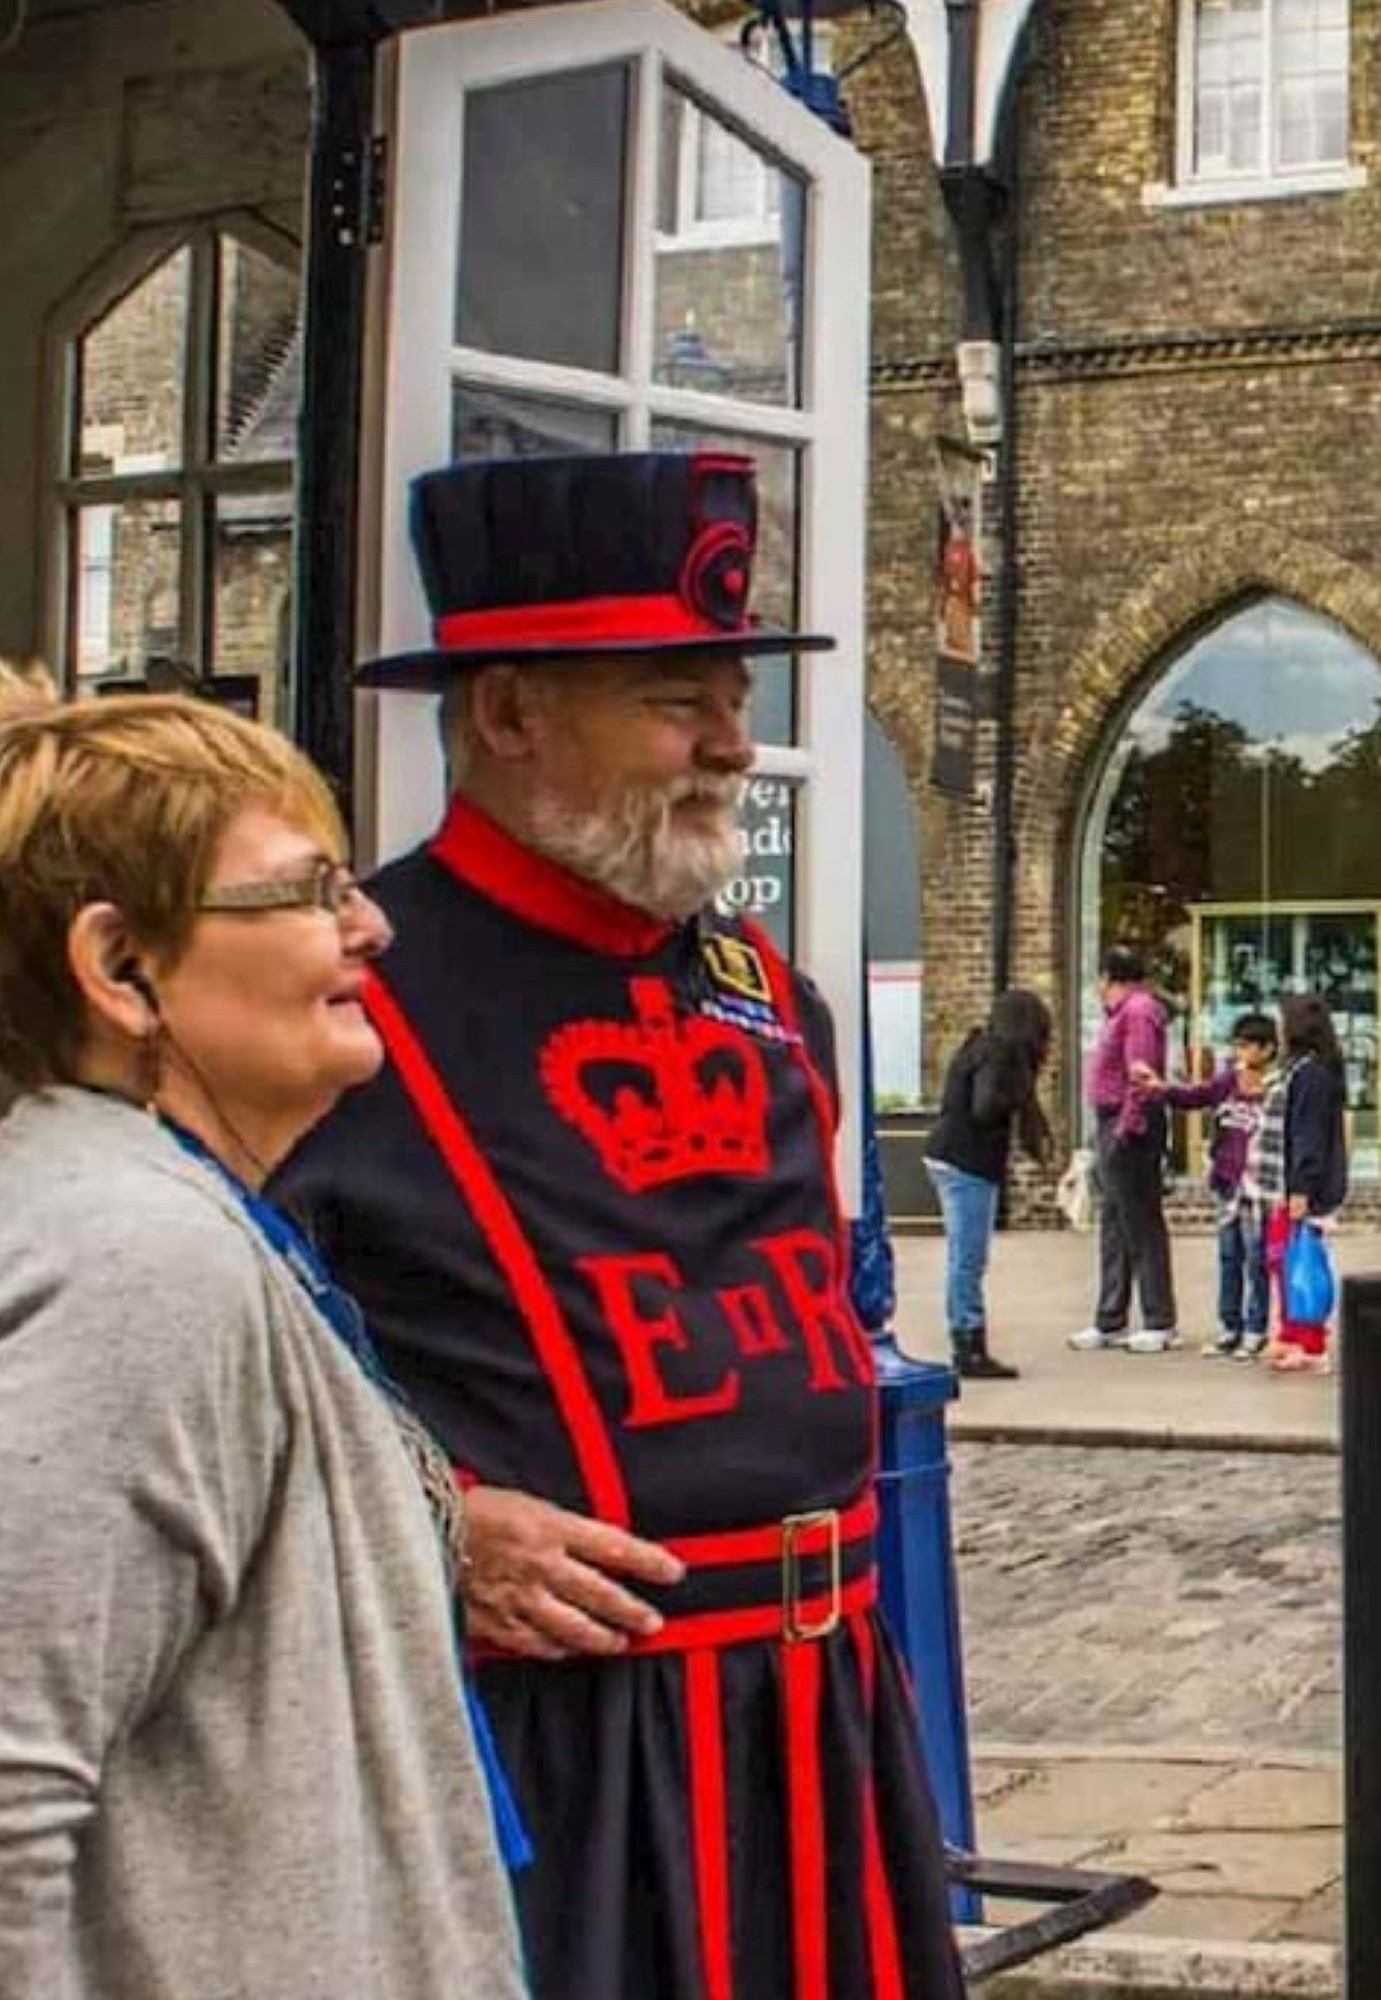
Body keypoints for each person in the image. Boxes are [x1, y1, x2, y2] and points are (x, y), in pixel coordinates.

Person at [270, 453, 961, 2000]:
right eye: (675, 701)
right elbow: (223, 1367)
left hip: (828, 1713)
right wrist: (430, 1526)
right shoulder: (348, 997)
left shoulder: (773, 997)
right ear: (509, 714)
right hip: (566, 1747)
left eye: (731, 697)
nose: (731, 746)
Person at [0, 689, 528, 2000]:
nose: (371, 924)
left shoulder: (178, 1222)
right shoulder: (133, 1261)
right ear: (121, 970)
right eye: (306, 893)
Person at [924, 990, 1053, 1380]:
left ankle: (967, 1336)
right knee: (968, 1257)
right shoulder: (997, 1055)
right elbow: (985, 1106)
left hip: (950, 1155)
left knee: (963, 1256)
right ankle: (968, 1345)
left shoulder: (978, 1045)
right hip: (967, 1162)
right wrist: (1017, 1097)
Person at [1141, 1011, 1277, 1359]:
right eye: (1238, 1045)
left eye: (1247, 1046)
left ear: (1267, 1049)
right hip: (1228, 1181)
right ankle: (1229, 1326)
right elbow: (1194, 1096)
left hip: (1260, 1186)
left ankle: (1255, 1328)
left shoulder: (1276, 1090)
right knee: (1229, 1255)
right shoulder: (1227, 1082)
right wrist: (1161, 1090)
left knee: (1256, 1259)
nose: (1240, 1053)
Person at [1072, 944, 1180, 1354]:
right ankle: (1109, 1318)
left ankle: (1159, 1319)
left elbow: (1142, 1074)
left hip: (1127, 1123)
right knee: (1115, 1224)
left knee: (1141, 1222)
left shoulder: (1137, 1012)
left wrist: (1126, 1128)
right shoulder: (1125, 1014)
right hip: (1114, 1121)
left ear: (1107, 978)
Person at [1258, 993, 1351, 1375]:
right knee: (1283, 1260)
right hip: (1285, 1183)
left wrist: (1300, 1188)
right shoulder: (1301, 1071)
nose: (1277, 1030)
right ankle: (1290, 1333)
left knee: (1299, 1263)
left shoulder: (1311, 1075)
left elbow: (1308, 1135)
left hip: (1299, 1187)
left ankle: (1309, 1341)